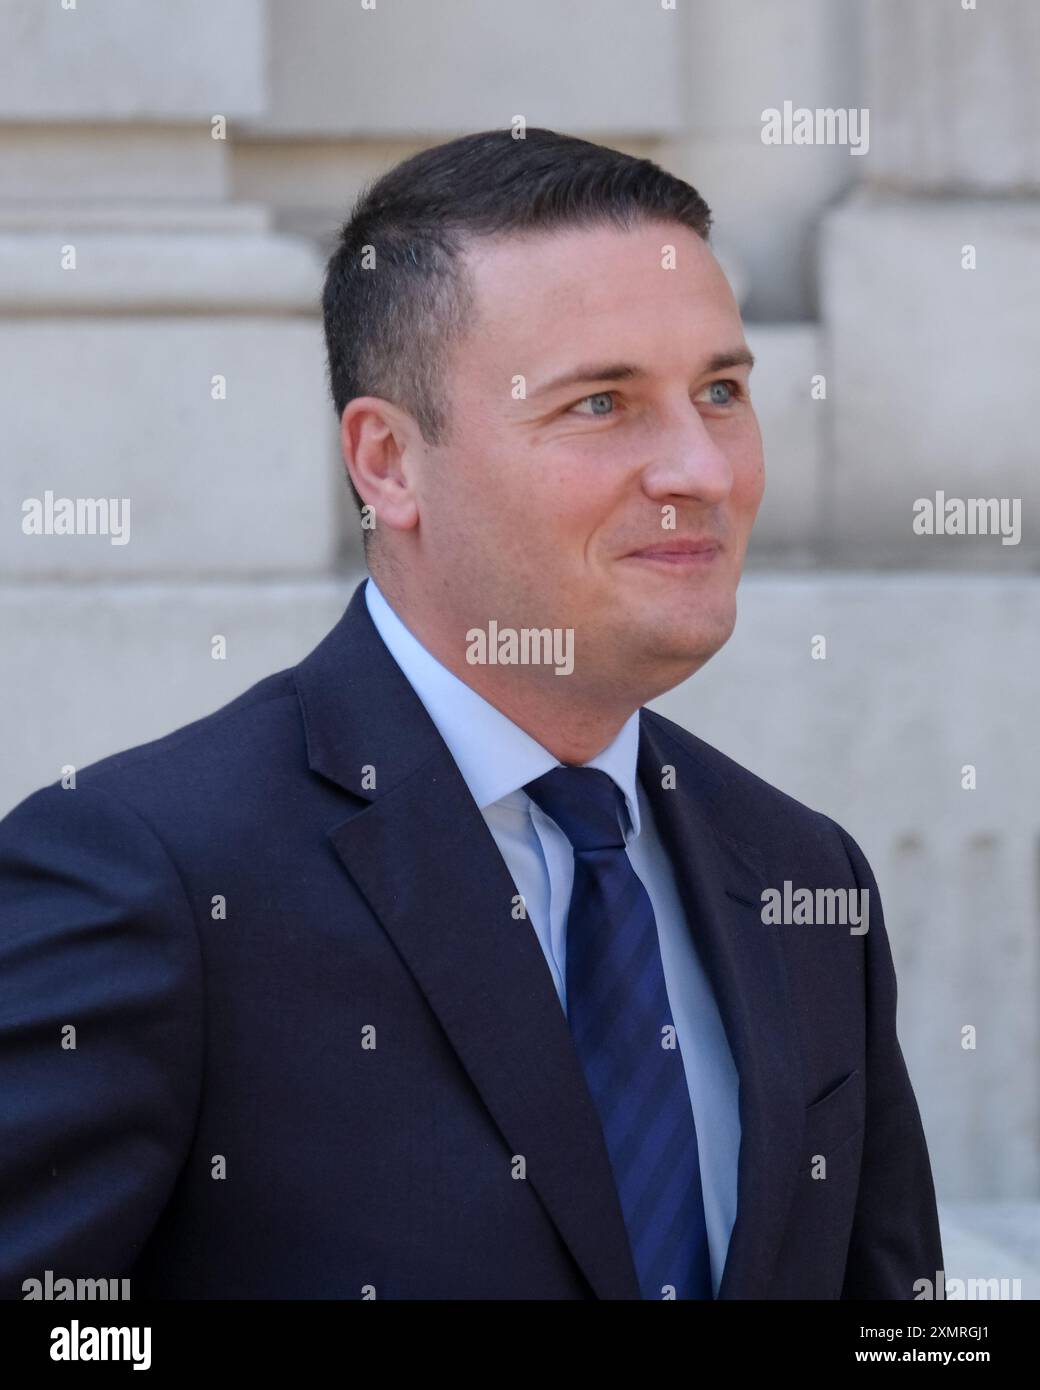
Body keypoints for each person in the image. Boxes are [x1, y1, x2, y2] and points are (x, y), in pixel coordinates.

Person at [0, 128, 942, 1300]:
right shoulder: (149, 875)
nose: (701, 468)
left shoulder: (806, 876)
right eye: (601, 402)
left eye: (719, 390)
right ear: (387, 462)